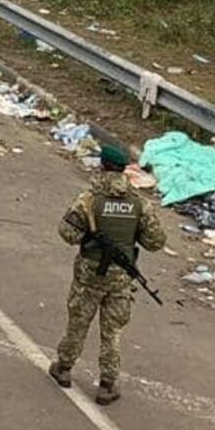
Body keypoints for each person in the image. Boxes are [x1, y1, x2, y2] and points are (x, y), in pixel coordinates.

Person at [49, 144, 168, 404]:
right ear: (124, 170)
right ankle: (107, 384)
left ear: (102, 167)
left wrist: (91, 234)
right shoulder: (139, 204)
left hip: (89, 274)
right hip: (121, 277)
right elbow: (156, 241)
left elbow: (67, 233)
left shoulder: (88, 201)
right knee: (112, 332)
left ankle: (64, 368)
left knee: (78, 322)